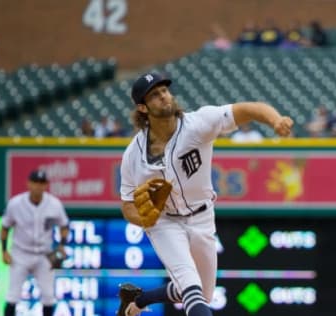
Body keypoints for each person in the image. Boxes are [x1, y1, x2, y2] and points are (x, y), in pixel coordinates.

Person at [119, 72, 293, 316]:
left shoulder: (198, 123)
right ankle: (146, 298)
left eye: (165, 90)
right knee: (190, 285)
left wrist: (275, 120)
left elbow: (249, 109)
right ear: (142, 107)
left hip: (202, 217)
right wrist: (143, 219)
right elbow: (127, 205)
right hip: (164, 223)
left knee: (203, 294)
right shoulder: (133, 155)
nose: (164, 96)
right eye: (155, 95)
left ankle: (138, 300)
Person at [1, 170, 70, 316]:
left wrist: (62, 245)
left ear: (46, 185)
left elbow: (64, 226)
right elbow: (5, 227)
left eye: (42, 183)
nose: (38, 186)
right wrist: (4, 251)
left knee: (48, 296)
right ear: (29, 183)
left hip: (44, 255)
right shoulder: (15, 203)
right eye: (35, 182)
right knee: (13, 295)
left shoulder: (54, 204)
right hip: (20, 253)